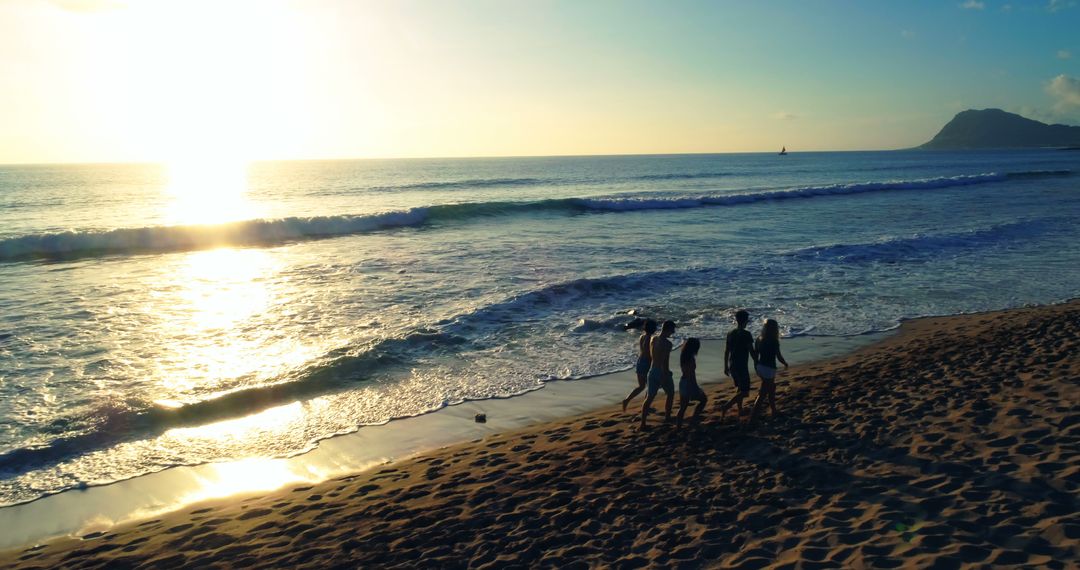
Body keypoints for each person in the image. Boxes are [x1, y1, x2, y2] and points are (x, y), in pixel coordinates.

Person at [719, 310, 757, 424]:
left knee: (740, 388)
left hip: (732, 364)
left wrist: (725, 366)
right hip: (741, 366)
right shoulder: (746, 334)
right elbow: (751, 350)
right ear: (746, 320)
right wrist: (757, 362)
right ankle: (727, 406)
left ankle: (740, 409)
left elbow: (726, 351)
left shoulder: (730, 333)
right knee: (745, 391)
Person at [749, 319, 788, 423]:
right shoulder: (774, 341)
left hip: (760, 367)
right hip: (769, 369)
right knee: (762, 394)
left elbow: (755, 355)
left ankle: (774, 411)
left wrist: (756, 366)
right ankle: (753, 418)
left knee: (771, 389)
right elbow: (778, 356)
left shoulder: (759, 339)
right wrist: (785, 363)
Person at [640, 320, 676, 429]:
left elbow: (651, 356)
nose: (673, 332)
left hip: (652, 370)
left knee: (649, 397)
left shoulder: (653, 339)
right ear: (668, 329)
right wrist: (667, 372)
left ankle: (643, 423)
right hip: (662, 371)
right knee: (670, 393)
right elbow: (665, 361)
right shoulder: (668, 344)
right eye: (672, 330)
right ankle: (667, 417)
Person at [623, 319, 658, 412]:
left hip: (640, 361)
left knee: (641, 386)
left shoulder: (642, 337)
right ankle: (647, 405)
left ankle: (627, 400)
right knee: (651, 385)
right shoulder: (652, 339)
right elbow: (650, 353)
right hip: (647, 362)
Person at [675, 337, 707, 428]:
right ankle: (694, 419)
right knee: (703, 400)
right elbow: (690, 374)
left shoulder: (683, 356)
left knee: (683, 407)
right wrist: (694, 386)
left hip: (683, 382)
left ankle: (679, 426)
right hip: (689, 383)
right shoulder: (690, 359)